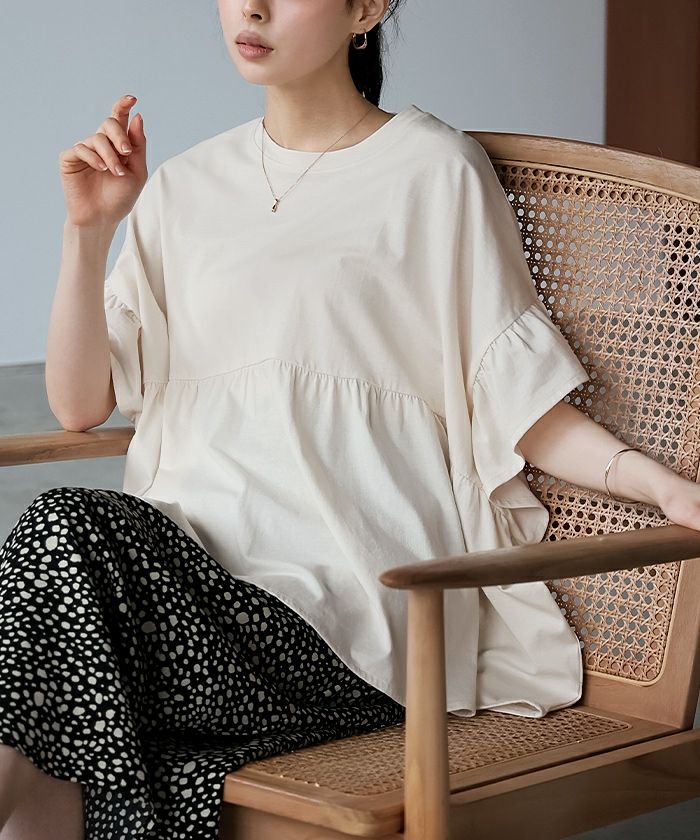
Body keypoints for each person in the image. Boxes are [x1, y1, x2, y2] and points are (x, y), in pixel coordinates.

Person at [3, 1, 700, 838]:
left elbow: (517, 402)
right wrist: (88, 232)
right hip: (184, 598)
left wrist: (658, 484)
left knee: (64, 529)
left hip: (346, 624)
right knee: (38, 765)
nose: (252, 8)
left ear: (365, 8)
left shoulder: (433, 173)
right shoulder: (183, 187)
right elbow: (80, 403)